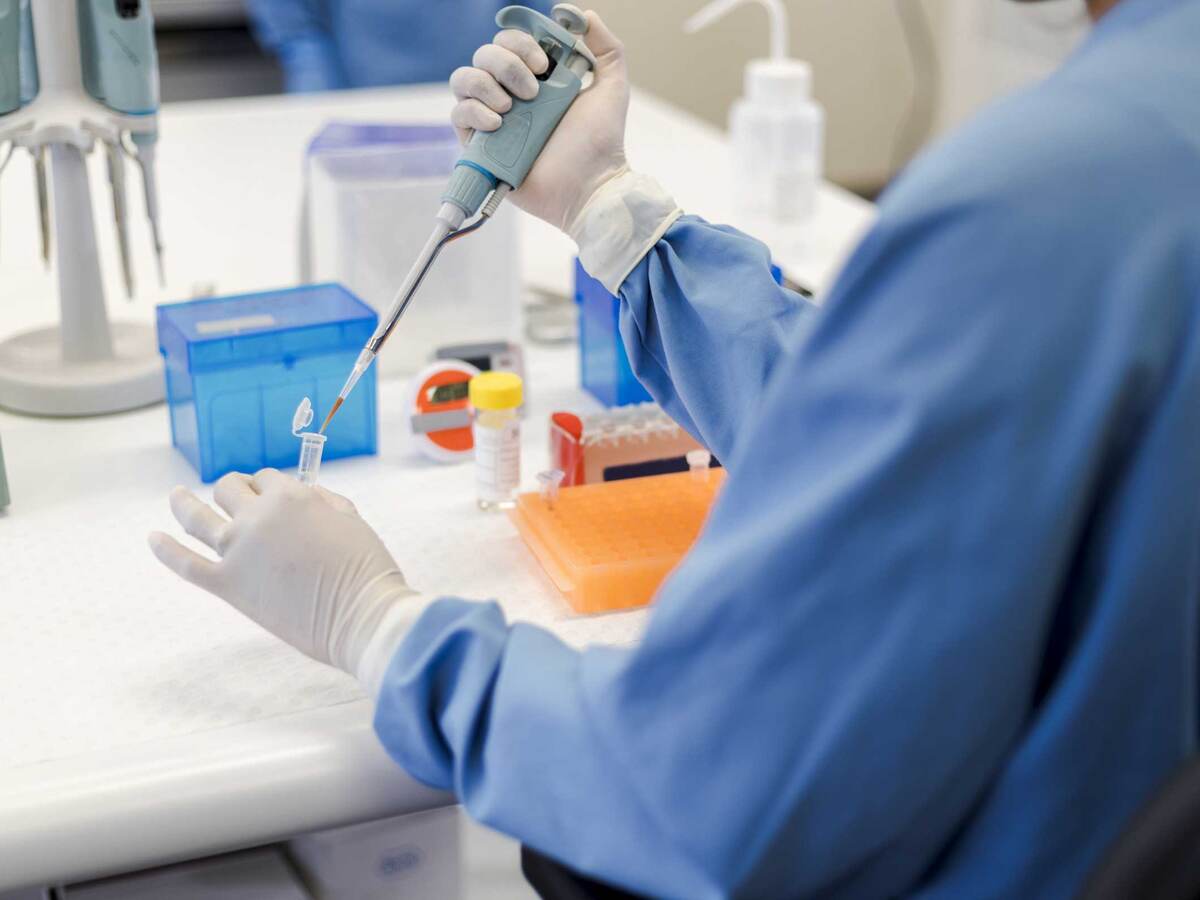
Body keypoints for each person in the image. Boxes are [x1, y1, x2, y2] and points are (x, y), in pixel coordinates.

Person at [150, 0, 1200, 895]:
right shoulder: (1137, 163)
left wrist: (382, 632)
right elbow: (917, 426)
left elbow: (700, 786)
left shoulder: (1045, 196)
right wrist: (608, 211)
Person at [245, 0, 553, 93]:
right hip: (363, 102)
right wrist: (321, 109)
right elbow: (298, 28)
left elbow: (536, 16)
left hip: (491, 98)